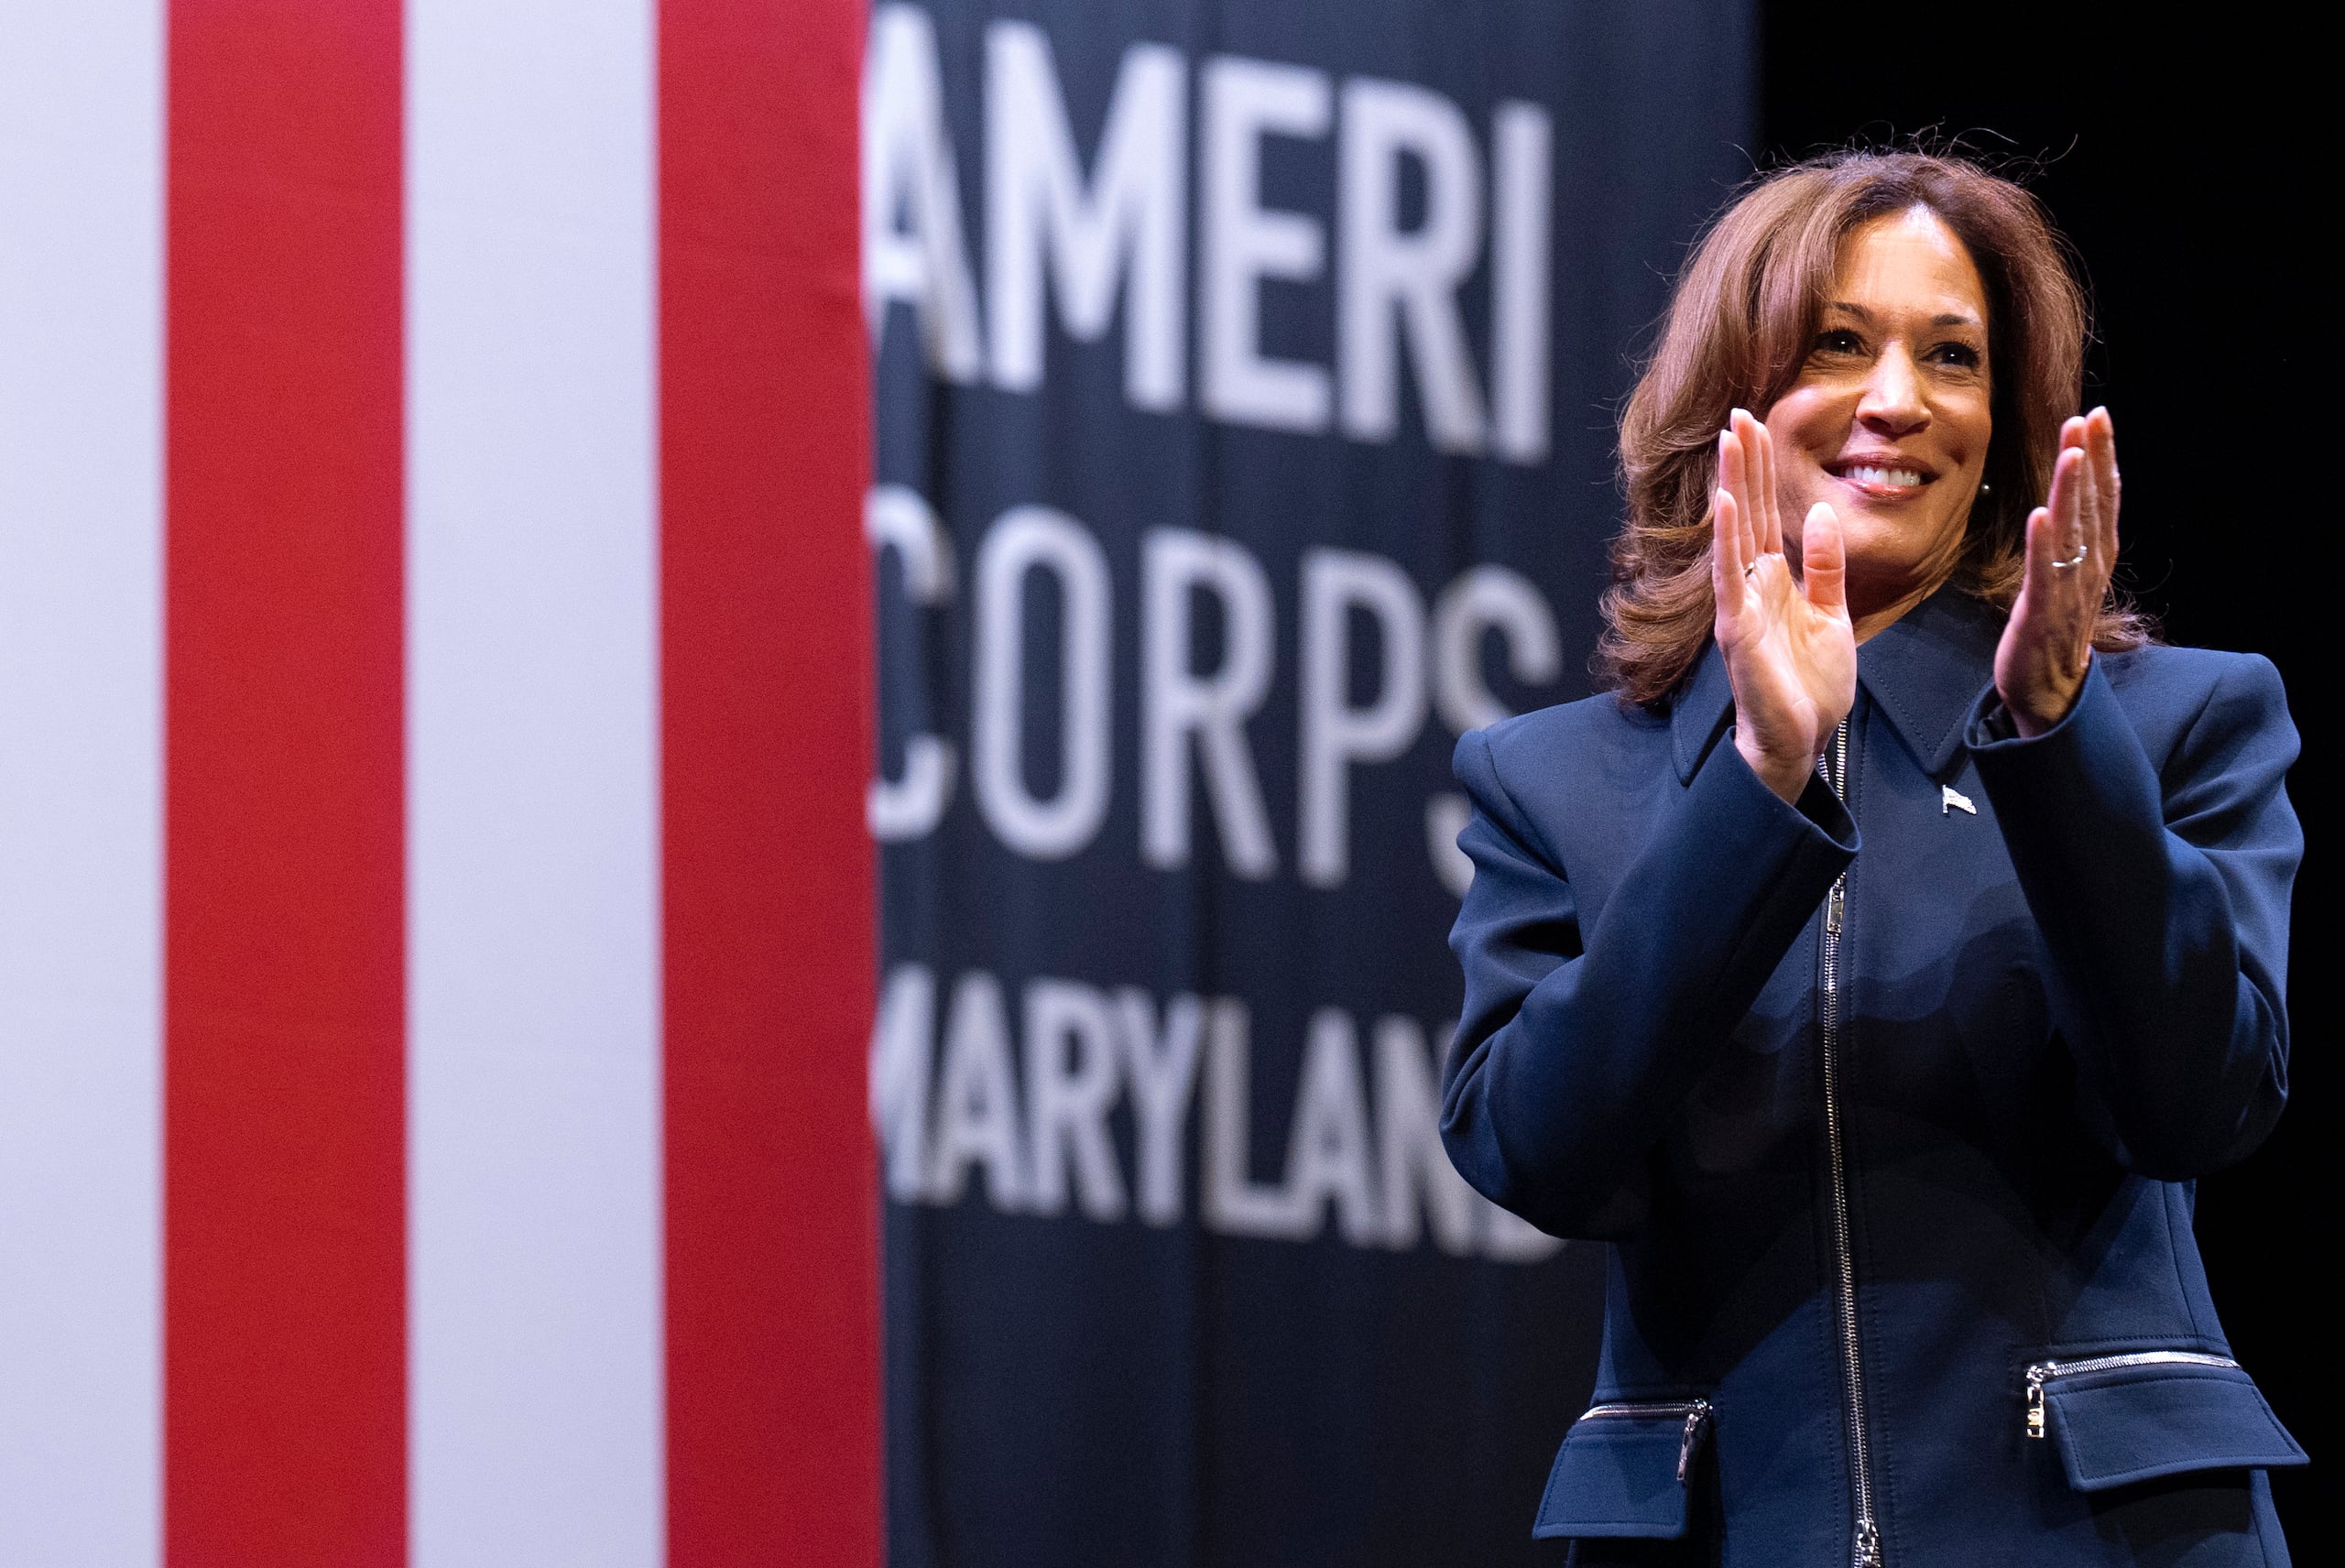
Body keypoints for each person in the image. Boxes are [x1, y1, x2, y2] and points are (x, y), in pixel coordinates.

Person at [1440, 150, 2304, 1565]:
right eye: (1838, 343)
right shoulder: (1553, 780)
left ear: (2004, 424)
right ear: (1729, 391)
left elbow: (2197, 1102)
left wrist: (2054, 734)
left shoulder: (2174, 723)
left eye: (1952, 357)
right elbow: (1536, 1150)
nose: (1898, 401)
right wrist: (1761, 787)